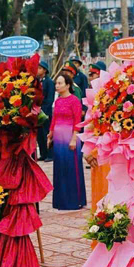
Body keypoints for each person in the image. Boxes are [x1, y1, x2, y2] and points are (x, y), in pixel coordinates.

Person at [49, 72, 87, 210]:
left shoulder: (74, 101)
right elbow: (54, 119)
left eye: (60, 83)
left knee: (71, 167)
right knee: (59, 168)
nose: (57, 86)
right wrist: (50, 134)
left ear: (68, 85)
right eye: (56, 84)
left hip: (71, 136)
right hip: (58, 137)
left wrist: (74, 138)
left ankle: (74, 200)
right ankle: (61, 201)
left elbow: (78, 120)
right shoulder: (57, 101)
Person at [85, 61, 109, 212]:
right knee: (98, 194)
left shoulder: (112, 98)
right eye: (91, 75)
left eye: (94, 74)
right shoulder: (94, 99)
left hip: (109, 155)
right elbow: (89, 126)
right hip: (96, 154)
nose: (91, 77)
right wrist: (87, 151)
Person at [37, 61, 55, 162]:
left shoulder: (49, 82)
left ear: (44, 70)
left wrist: (45, 112)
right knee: (39, 135)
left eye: (40, 68)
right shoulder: (37, 81)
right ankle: (43, 153)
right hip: (37, 112)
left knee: (47, 134)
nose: (37, 70)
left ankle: (50, 154)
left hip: (45, 112)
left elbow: (50, 98)